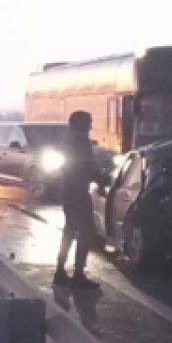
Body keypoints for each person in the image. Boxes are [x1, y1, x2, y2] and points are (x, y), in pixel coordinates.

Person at [54, 110, 111, 289]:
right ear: (82, 124)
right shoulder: (80, 141)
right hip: (78, 191)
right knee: (87, 231)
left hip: (68, 190)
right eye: (89, 122)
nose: (91, 126)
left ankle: (60, 271)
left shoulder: (68, 139)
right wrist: (102, 179)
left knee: (69, 230)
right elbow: (86, 166)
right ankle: (78, 274)